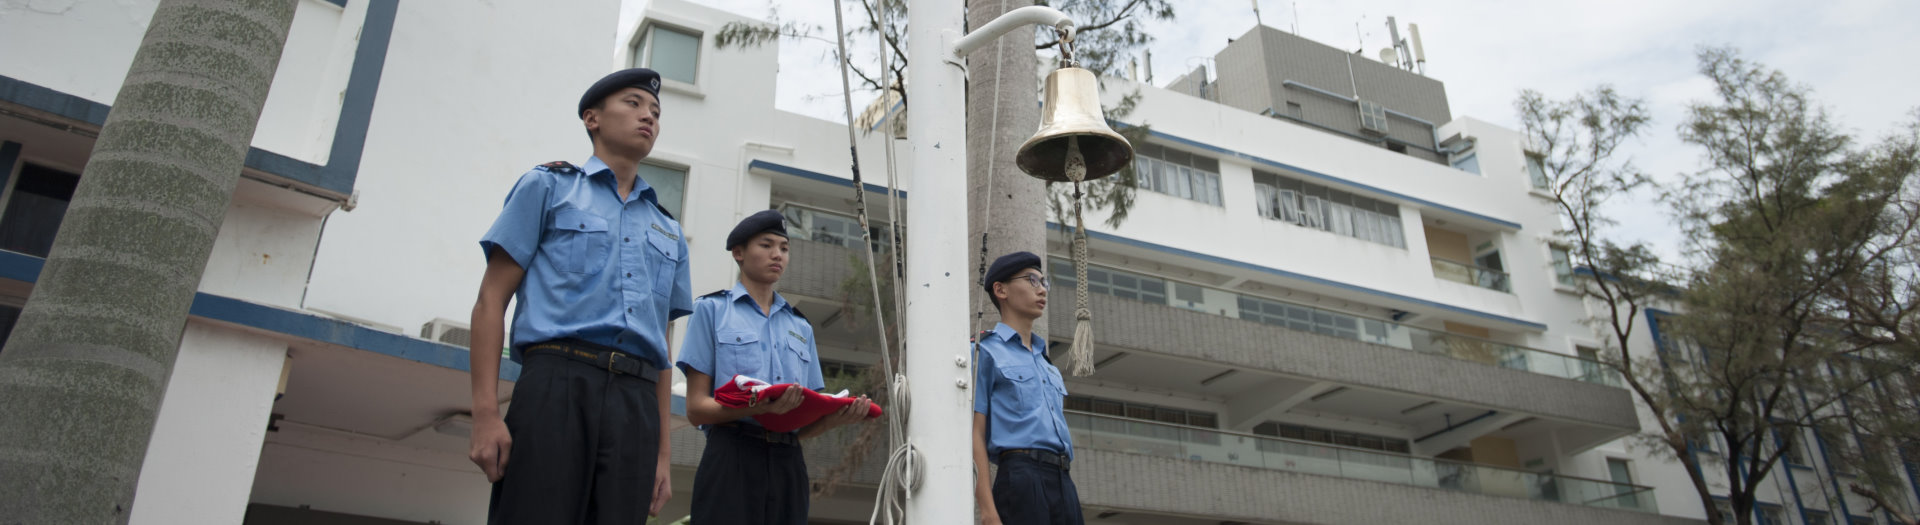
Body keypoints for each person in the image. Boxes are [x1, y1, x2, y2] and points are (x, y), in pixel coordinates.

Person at [467, 67, 689, 524]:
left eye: (656, 111)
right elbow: (491, 302)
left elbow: (663, 345)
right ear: (592, 118)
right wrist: (486, 414)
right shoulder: (548, 187)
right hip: (556, 383)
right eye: (633, 103)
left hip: (636, 401)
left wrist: (663, 454)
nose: (648, 116)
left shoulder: (669, 230)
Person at [676, 209, 872, 523]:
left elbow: (804, 419)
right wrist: (756, 408)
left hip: (788, 460)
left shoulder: (801, 326)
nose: (776, 254)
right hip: (732, 454)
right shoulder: (711, 311)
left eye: (783, 247)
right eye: (766, 245)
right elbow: (696, 408)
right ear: (738, 253)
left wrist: (838, 418)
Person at [972, 251, 1082, 525]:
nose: (1042, 289)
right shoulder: (984, 351)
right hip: (1020, 478)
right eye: (1032, 280)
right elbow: (974, 433)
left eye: (1045, 282)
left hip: (1063, 479)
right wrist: (987, 511)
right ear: (1001, 290)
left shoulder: (1047, 364)